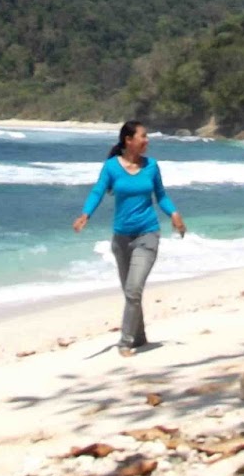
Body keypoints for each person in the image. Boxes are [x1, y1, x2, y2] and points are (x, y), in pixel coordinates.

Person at [73, 120, 186, 356]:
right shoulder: (111, 167)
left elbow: (161, 196)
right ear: (129, 140)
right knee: (130, 293)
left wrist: (174, 214)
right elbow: (98, 191)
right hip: (121, 239)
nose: (147, 141)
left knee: (133, 290)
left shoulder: (152, 166)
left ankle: (125, 342)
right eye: (143, 136)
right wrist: (86, 214)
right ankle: (140, 336)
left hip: (148, 234)